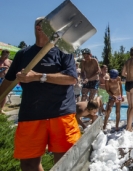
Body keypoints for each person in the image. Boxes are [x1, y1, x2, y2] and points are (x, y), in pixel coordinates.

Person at [0, 17, 81, 170]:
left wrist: (38, 76)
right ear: (35, 28)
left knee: (64, 162)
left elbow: (71, 79)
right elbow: (8, 82)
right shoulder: (22, 55)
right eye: (38, 23)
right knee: (28, 164)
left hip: (61, 113)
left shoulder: (64, 51)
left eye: (45, 23)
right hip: (31, 114)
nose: (40, 25)